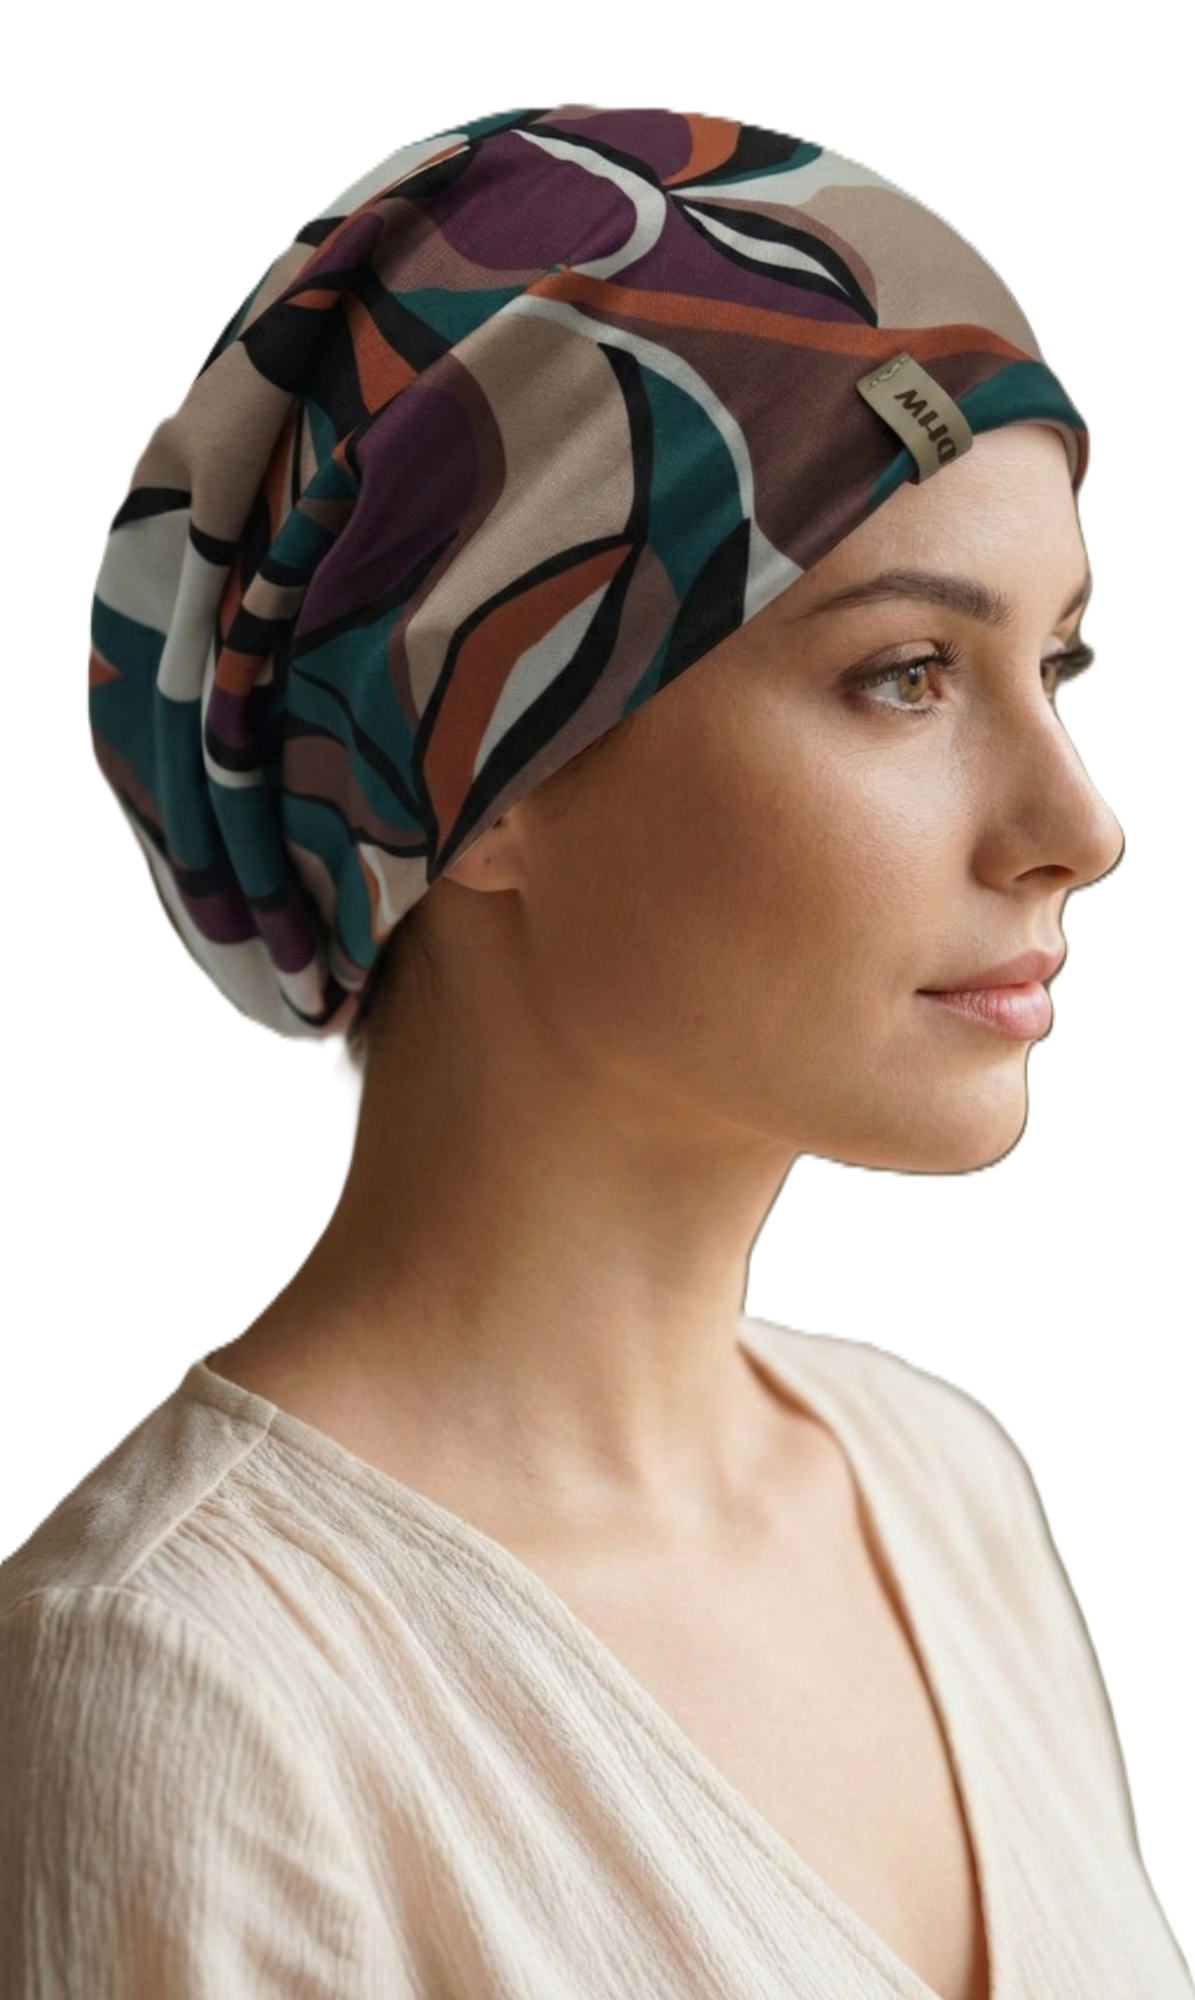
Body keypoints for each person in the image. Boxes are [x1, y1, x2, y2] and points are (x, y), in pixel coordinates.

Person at [4, 105, 1189, 1999]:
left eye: (1053, 668)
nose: (1080, 826)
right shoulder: (186, 1681)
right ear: (474, 772)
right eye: (903, 675)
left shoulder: (934, 1481)